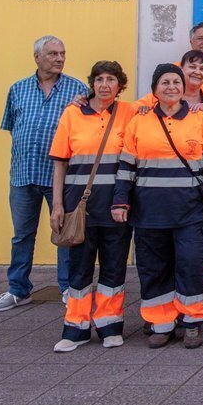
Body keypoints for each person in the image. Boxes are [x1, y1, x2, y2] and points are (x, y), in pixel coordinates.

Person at [112, 64, 203, 349]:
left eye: (176, 82)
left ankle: (192, 321)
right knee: (153, 267)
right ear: (155, 89)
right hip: (148, 211)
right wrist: (120, 201)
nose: (171, 87)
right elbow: (126, 167)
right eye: (165, 82)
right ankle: (161, 323)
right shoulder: (139, 122)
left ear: (183, 87)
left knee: (191, 264)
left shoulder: (199, 120)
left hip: (190, 210)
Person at [0, 36, 88, 312]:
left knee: (65, 232)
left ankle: (68, 287)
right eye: (53, 54)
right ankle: (18, 289)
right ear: (37, 57)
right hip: (23, 175)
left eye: (62, 53)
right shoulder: (18, 89)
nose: (60, 58)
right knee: (22, 235)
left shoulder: (77, 89)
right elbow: (13, 127)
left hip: (60, 176)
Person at [49, 61, 136, 351]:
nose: (105, 85)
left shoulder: (130, 113)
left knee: (114, 266)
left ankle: (110, 325)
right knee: (79, 268)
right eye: (99, 79)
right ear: (92, 84)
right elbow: (60, 164)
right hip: (79, 207)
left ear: (120, 85)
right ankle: (76, 328)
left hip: (117, 206)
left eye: (111, 79)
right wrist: (57, 205)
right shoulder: (72, 113)